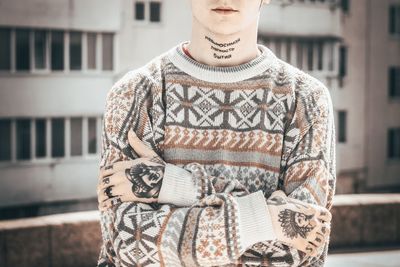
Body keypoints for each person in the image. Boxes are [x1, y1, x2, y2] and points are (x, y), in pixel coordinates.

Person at [96, 0, 336, 266]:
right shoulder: (135, 95)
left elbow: (301, 250)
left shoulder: (306, 101)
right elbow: (129, 246)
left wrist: (177, 186)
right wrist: (265, 219)